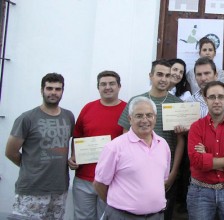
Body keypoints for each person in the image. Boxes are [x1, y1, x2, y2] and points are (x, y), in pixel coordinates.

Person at [117, 59, 184, 220]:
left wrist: (173, 172)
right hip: (137, 170)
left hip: (165, 171)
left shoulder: (178, 103)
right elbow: (125, 136)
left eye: (167, 75)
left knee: (163, 214)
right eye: (159, 74)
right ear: (151, 76)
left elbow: (181, 141)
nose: (164, 79)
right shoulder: (136, 101)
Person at [5, 73, 75, 219]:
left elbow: (73, 140)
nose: (53, 92)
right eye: (49, 88)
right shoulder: (27, 118)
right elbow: (10, 152)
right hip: (32, 189)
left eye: (58, 89)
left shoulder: (68, 116)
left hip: (59, 189)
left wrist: (74, 157)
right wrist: (30, 167)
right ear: (42, 90)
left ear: (62, 91)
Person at [94, 97, 170, 219]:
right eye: (139, 116)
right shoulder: (115, 147)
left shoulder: (163, 145)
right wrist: (117, 206)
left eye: (149, 115)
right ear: (130, 119)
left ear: (155, 117)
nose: (145, 120)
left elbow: (163, 180)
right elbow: (99, 184)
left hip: (156, 216)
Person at [67, 71, 126, 220]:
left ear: (119, 86)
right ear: (98, 87)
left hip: (112, 180)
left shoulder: (127, 110)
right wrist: (74, 155)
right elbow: (77, 135)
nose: (107, 87)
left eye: (112, 83)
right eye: (103, 84)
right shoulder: (88, 108)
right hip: (83, 179)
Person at [187, 81, 224, 220]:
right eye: (212, 97)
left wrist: (208, 159)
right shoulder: (196, 127)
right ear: (205, 99)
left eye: (221, 97)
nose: (217, 101)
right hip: (200, 191)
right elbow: (197, 162)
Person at [185, 57, 224, 122]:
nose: (203, 78)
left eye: (207, 73)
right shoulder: (189, 102)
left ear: (216, 75)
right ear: (195, 77)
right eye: (199, 74)